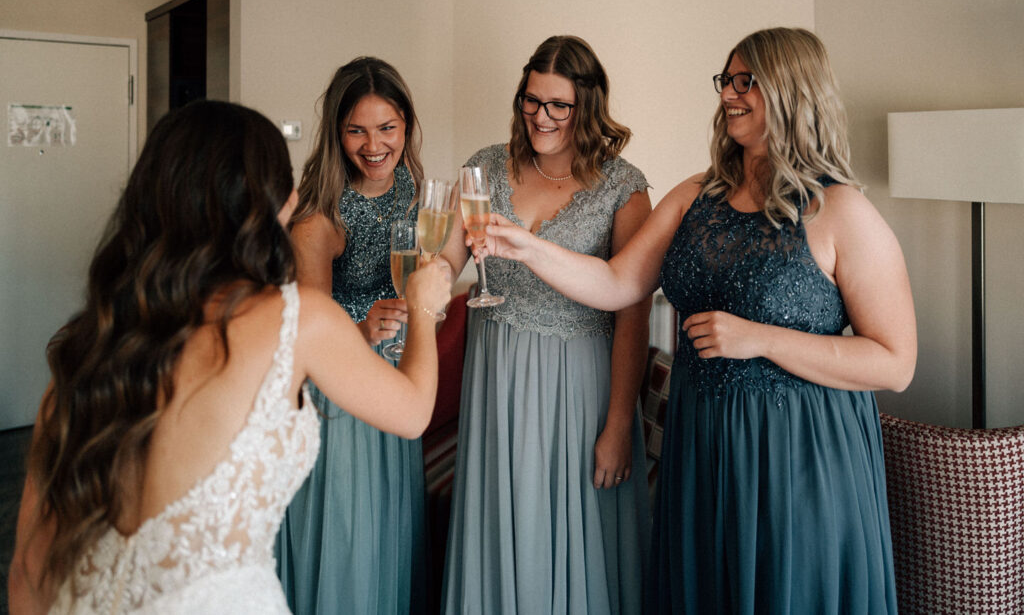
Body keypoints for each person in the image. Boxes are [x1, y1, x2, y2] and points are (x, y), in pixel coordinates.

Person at [481, 27, 915, 613]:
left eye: (746, 81)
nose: (728, 94)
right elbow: (617, 283)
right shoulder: (696, 194)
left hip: (796, 452)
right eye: (726, 80)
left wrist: (759, 339)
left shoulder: (840, 209)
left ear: (792, 90)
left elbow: (895, 362)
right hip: (701, 439)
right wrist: (526, 247)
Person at [7, 100, 449, 614]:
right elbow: (413, 413)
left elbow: (28, 570)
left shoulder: (86, 345)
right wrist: (422, 305)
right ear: (268, 202)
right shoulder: (297, 319)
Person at [437, 35, 653, 613]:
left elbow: (634, 315)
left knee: (571, 525)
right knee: (500, 518)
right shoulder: (485, 167)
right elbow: (448, 259)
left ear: (588, 106)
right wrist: (424, 282)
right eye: (532, 100)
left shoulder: (624, 188)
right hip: (495, 373)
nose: (541, 116)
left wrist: (618, 426)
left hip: (577, 384)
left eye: (559, 105)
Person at [274, 57, 430, 614]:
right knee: (351, 534)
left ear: (406, 124)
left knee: (389, 527)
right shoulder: (319, 216)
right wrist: (362, 328)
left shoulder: (413, 189)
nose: (374, 145)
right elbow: (311, 331)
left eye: (387, 127)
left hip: (401, 379)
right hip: (343, 393)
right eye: (356, 131)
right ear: (336, 134)